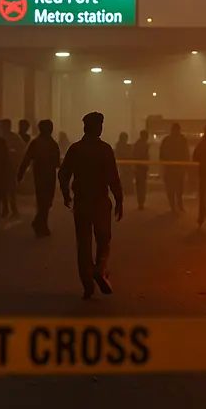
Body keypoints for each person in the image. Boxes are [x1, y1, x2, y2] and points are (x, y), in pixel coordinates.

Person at [58, 112, 124, 299]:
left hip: (81, 201)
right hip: (101, 201)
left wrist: (65, 194)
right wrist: (119, 199)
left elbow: (63, 174)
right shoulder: (105, 149)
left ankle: (87, 285)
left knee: (84, 243)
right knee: (104, 240)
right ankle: (100, 268)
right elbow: (113, 177)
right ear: (99, 128)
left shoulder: (75, 149)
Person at [18, 119, 62, 238]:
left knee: (42, 201)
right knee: (47, 201)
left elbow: (27, 159)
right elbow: (57, 163)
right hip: (49, 176)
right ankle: (39, 223)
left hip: (38, 175)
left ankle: (41, 224)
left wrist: (20, 173)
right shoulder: (53, 144)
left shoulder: (35, 143)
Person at [159, 123, 190, 213]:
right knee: (179, 188)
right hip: (179, 168)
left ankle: (172, 206)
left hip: (169, 168)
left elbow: (162, 154)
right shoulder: (182, 140)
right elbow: (186, 153)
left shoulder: (167, 140)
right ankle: (179, 204)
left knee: (170, 188)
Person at [0, 118, 23, 217]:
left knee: (11, 189)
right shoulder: (1, 137)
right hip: (2, 166)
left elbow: (22, 149)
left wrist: (14, 152)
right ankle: (6, 209)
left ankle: (12, 209)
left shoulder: (14, 137)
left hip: (10, 166)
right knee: (4, 189)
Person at [131, 129, 150, 210]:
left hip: (139, 167)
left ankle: (140, 202)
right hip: (142, 167)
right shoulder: (144, 145)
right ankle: (141, 202)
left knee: (139, 185)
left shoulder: (137, 144)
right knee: (142, 186)